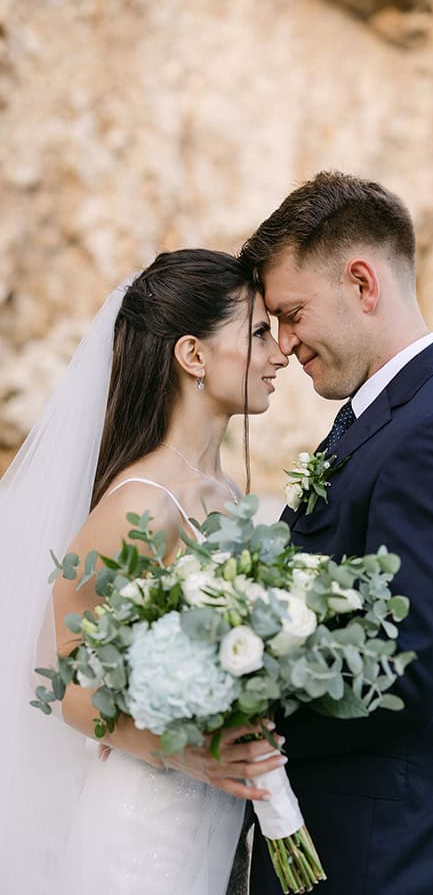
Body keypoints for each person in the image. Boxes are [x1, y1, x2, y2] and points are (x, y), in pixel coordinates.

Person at [241, 171, 433, 895]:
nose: (285, 343)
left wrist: (236, 714)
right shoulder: (382, 418)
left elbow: (404, 673)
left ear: (362, 283)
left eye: (292, 313)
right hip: (358, 842)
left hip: (405, 855)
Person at [0, 249, 288, 894]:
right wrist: (180, 750)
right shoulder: (143, 503)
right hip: (145, 832)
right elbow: (54, 673)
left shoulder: (227, 495)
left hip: (218, 821)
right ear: (193, 355)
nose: (280, 354)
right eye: (258, 334)